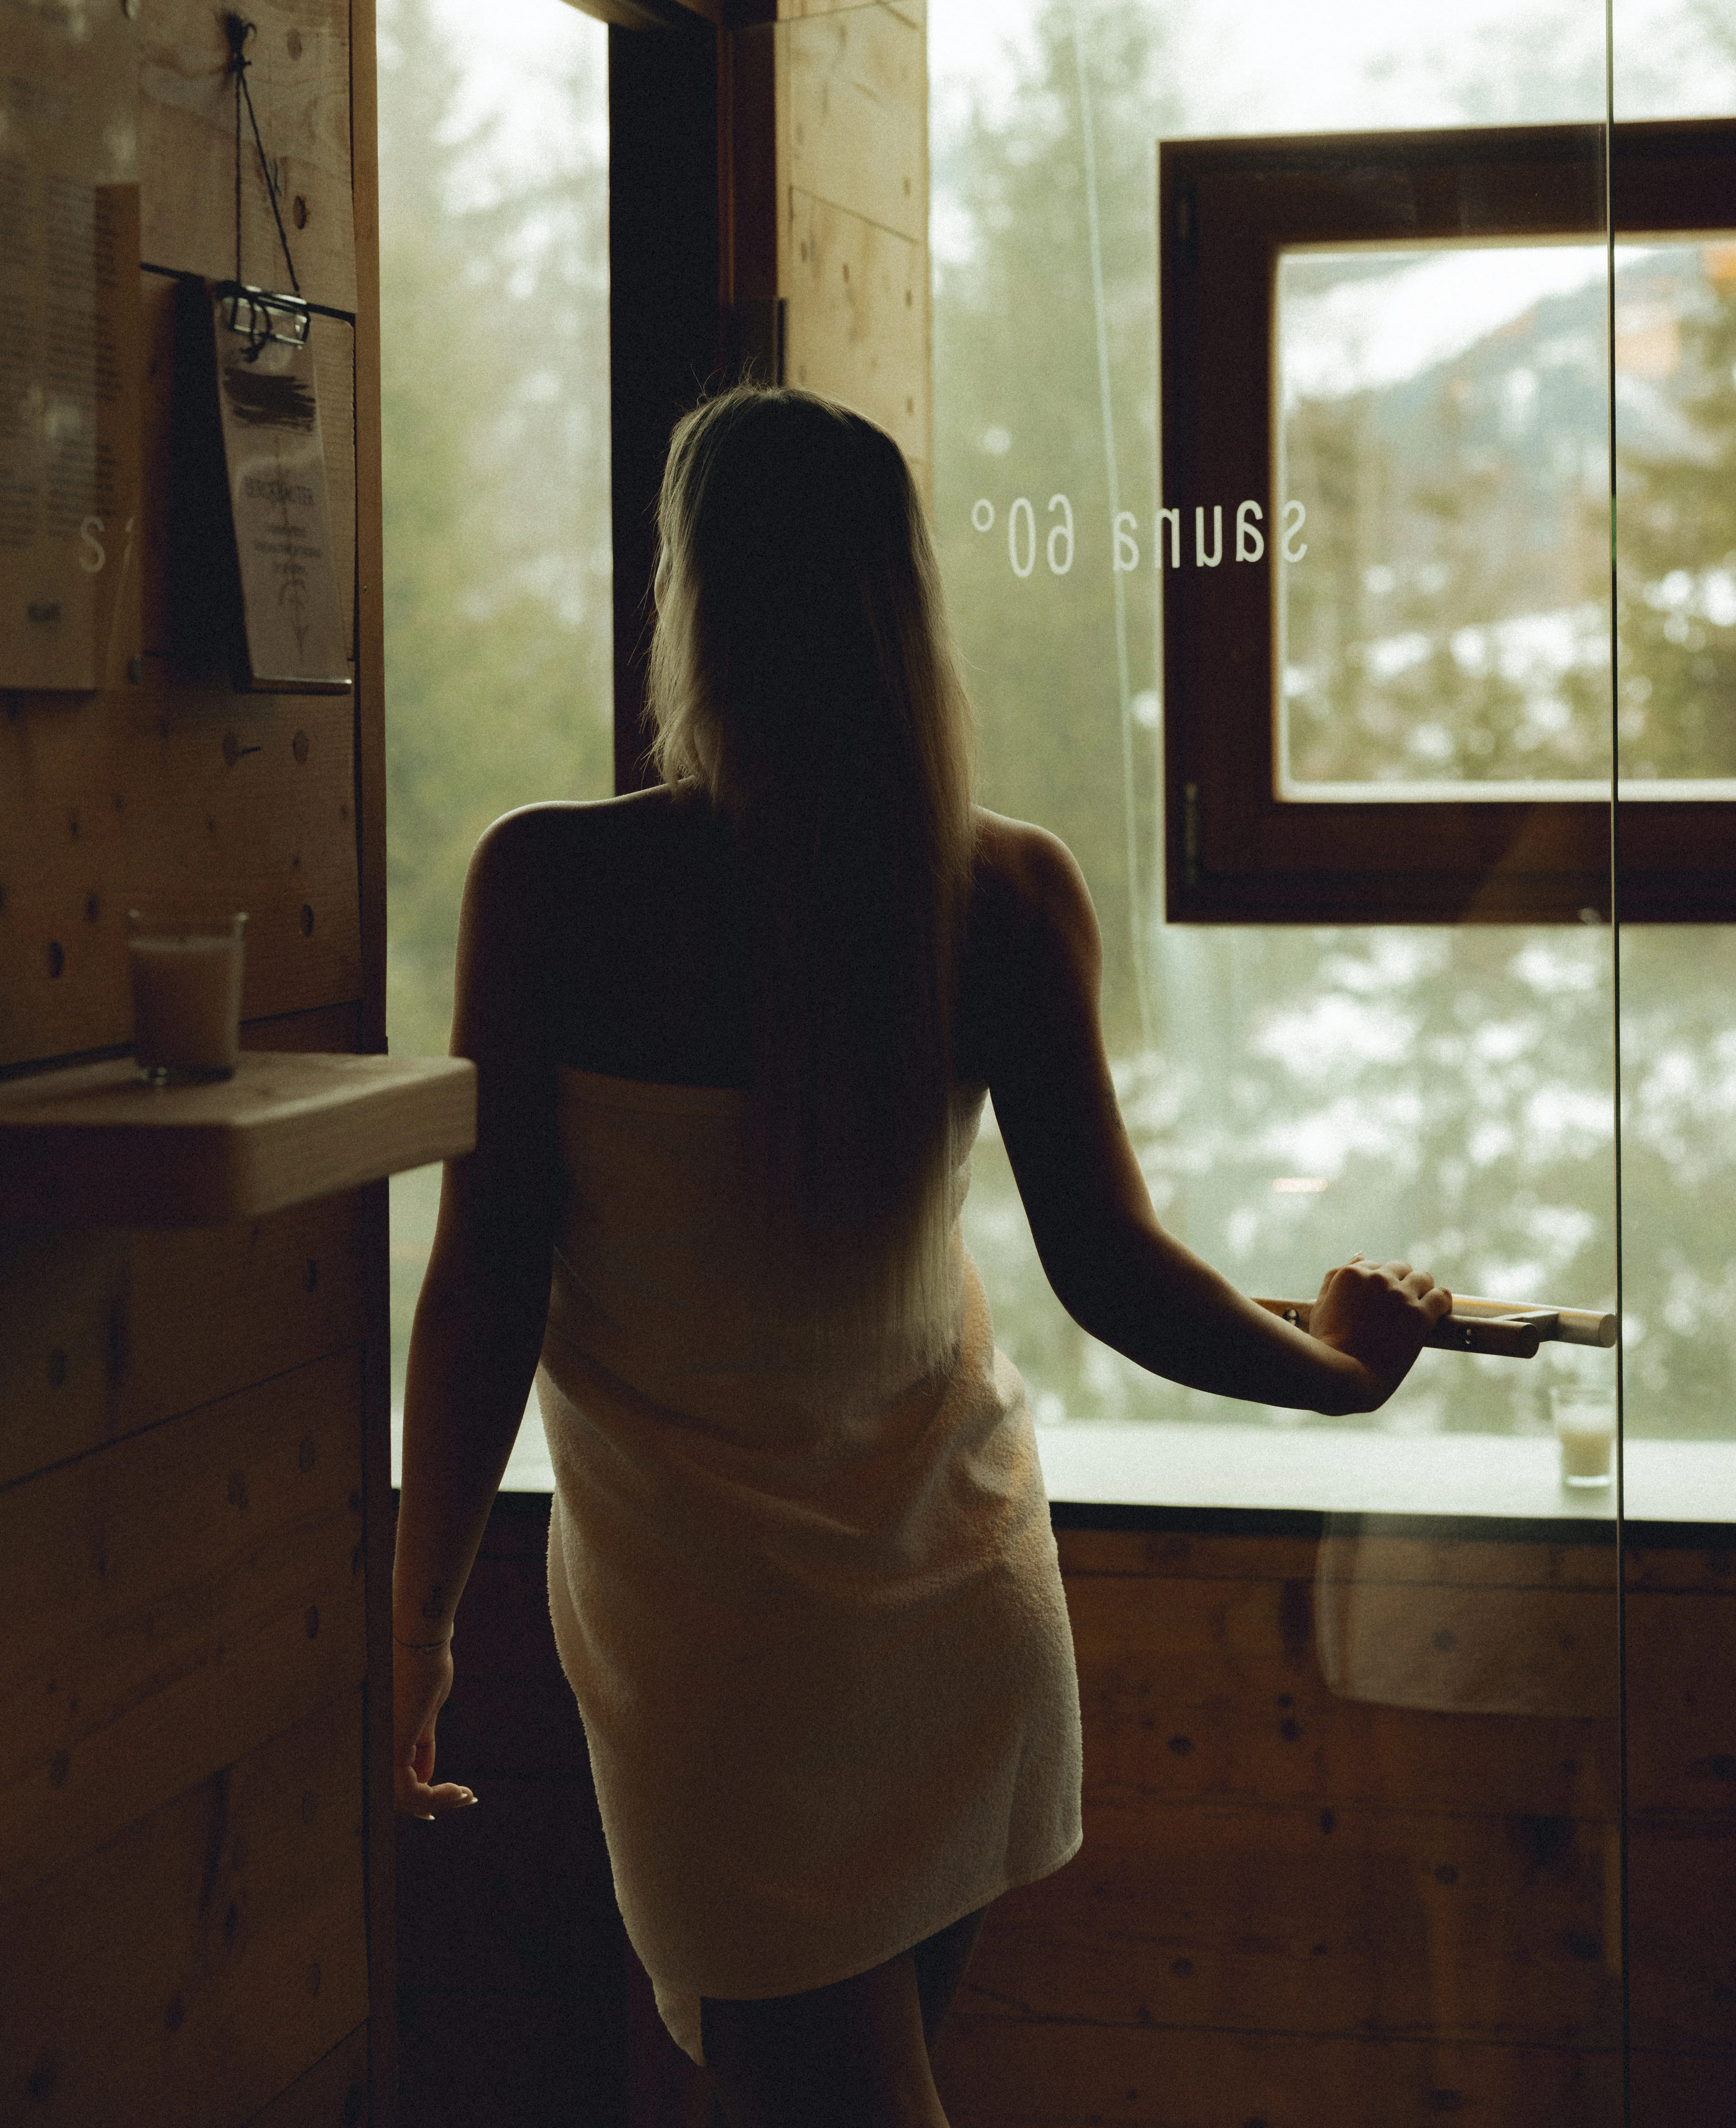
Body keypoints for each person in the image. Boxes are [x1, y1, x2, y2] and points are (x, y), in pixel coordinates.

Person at [392, 384, 1450, 2128]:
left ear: (697, 601)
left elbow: (487, 1275)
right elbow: (1110, 1265)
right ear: (902, 599)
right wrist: (1337, 1374)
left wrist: (420, 1612)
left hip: (712, 1644)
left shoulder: (555, 889)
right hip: (946, 1601)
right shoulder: (994, 895)